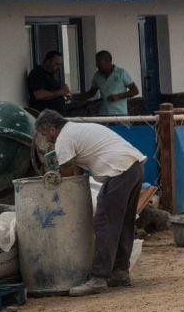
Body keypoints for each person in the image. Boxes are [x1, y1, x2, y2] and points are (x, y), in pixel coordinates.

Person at [35, 109, 146, 297]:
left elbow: (68, 174)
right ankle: (119, 272)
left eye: (45, 134)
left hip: (118, 170)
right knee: (123, 222)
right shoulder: (77, 130)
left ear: (52, 129)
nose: (46, 140)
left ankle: (98, 278)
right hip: (133, 167)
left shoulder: (64, 139)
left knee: (104, 222)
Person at [75, 50, 139, 116]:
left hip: (120, 114)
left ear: (108, 61)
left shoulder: (121, 73)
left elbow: (135, 91)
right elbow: (91, 93)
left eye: (99, 62)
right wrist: (73, 97)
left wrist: (118, 96)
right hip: (103, 114)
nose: (96, 65)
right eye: (96, 62)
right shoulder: (97, 75)